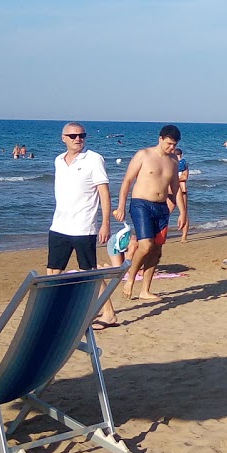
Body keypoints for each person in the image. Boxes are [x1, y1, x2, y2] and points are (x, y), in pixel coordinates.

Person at [47, 123, 119, 329]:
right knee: (53, 271)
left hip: (83, 226)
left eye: (81, 135)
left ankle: (109, 313)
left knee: (89, 272)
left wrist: (105, 223)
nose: (77, 139)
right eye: (72, 136)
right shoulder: (59, 161)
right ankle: (53, 310)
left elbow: (104, 193)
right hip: (59, 224)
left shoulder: (93, 159)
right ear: (63, 138)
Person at [113, 125, 182, 302]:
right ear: (160, 139)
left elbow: (175, 188)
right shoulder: (143, 155)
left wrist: (183, 213)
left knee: (156, 251)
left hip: (162, 207)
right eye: (169, 144)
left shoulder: (173, 160)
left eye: (174, 145)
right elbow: (127, 181)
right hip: (141, 204)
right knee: (145, 246)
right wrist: (121, 206)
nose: (171, 148)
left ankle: (145, 290)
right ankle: (130, 279)